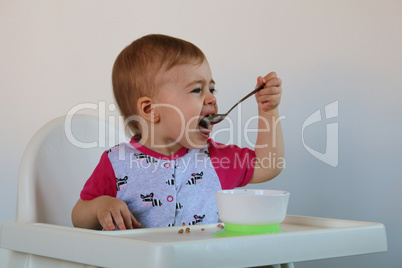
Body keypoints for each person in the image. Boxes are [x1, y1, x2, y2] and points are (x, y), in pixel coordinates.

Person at [71, 34, 284, 231]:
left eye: (212, 88)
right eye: (197, 90)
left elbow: (269, 165)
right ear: (150, 110)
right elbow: (79, 216)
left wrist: (268, 111)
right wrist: (100, 206)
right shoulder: (116, 163)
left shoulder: (216, 160)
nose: (212, 98)